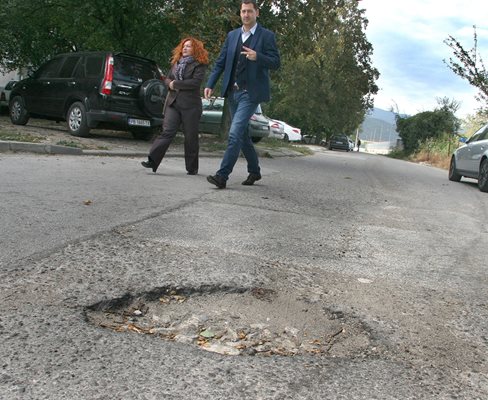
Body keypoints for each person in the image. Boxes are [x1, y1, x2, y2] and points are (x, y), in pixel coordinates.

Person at [205, 0, 280, 189]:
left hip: (251, 93)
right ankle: (254, 171)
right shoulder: (232, 36)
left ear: (257, 13)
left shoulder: (266, 36)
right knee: (243, 135)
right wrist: (210, 83)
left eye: (249, 11)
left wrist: (258, 57)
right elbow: (221, 62)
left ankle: (222, 176)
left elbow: (276, 62)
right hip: (233, 92)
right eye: (243, 11)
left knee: (234, 133)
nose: (246, 15)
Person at [141, 37, 209, 174]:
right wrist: (169, 83)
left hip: (191, 106)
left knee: (190, 137)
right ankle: (152, 160)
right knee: (167, 132)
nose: (185, 48)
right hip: (173, 103)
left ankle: (192, 168)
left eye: (189, 46)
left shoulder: (199, 65)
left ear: (195, 49)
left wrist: (175, 84)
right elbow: (167, 79)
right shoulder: (176, 63)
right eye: (184, 46)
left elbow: (195, 83)